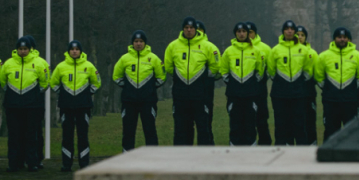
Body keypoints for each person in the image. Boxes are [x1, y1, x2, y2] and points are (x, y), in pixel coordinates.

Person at [164, 17, 220, 146]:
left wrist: (203, 78)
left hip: (200, 94)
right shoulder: (173, 46)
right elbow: (168, 66)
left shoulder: (208, 47)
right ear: (183, 29)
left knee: (203, 126)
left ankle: (203, 157)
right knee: (181, 127)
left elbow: (216, 66)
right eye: (186, 28)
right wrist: (180, 77)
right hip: (180, 93)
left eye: (191, 28)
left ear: (195, 29)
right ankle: (181, 157)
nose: (189, 30)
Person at [1, 35, 50, 171]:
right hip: (13, 105)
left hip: (33, 106)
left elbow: (45, 83)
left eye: (25, 48)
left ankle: (32, 162)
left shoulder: (40, 63)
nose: (23, 51)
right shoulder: (8, 63)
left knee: (32, 135)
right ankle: (14, 163)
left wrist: (32, 95)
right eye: (20, 48)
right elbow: (2, 81)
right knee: (14, 135)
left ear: (30, 49)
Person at [51, 39, 101, 170]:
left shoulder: (89, 66)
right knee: (67, 136)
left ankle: (84, 164)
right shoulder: (60, 66)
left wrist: (86, 94)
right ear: (68, 51)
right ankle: (66, 164)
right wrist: (62, 94)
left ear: (80, 51)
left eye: (77, 49)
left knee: (83, 136)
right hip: (66, 106)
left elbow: (97, 83)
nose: (74, 51)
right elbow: (53, 82)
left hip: (83, 107)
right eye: (72, 49)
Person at [113, 30, 165, 151]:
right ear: (132, 43)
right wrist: (127, 88)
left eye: (141, 41)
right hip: (129, 101)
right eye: (136, 41)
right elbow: (116, 76)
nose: (138, 44)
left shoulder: (153, 58)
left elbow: (162, 77)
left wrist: (150, 88)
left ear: (145, 43)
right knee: (128, 131)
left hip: (148, 101)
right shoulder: (124, 58)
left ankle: (151, 157)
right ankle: (127, 157)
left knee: (150, 129)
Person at [269, 20, 318, 145]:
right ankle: (280, 150)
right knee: (281, 124)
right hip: (280, 94)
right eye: (286, 29)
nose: (289, 31)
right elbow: (271, 69)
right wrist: (282, 81)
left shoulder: (303, 49)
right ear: (283, 31)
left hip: (298, 93)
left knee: (299, 124)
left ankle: (301, 153)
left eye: (291, 29)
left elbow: (308, 70)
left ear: (295, 32)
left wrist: (298, 83)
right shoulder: (275, 50)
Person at [224, 22, 269, 144]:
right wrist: (234, 84)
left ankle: (251, 151)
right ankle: (234, 151)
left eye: (244, 31)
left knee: (250, 124)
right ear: (235, 34)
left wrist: (252, 84)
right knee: (235, 124)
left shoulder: (256, 51)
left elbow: (260, 71)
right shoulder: (228, 51)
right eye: (239, 32)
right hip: (234, 94)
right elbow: (223, 71)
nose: (242, 34)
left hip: (251, 94)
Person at [316, 27, 359, 138]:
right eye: (339, 37)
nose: (342, 40)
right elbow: (318, 75)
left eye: (344, 37)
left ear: (349, 39)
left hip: (351, 100)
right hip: (330, 101)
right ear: (334, 39)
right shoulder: (324, 56)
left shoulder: (357, 55)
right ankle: (329, 155)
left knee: (352, 131)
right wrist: (328, 88)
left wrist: (352, 88)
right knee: (330, 131)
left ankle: (352, 154)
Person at [246, 22, 273, 144]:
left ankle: (265, 142)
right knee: (247, 118)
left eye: (250, 32)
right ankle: (248, 142)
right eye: (246, 32)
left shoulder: (265, 48)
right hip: (244, 89)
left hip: (260, 88)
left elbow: (270, 67)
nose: (248, 34)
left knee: (262, 117)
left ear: (255, 33)